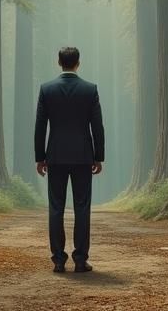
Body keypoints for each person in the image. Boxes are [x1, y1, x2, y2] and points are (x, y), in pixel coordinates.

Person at [34, 46, 105, 273]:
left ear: (58, 62)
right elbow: (97, 126)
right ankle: (81, 260)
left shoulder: (47, 89)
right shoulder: (90, 89)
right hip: (83, 156)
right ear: (78, 63)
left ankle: (58, 260)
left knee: (56, 208)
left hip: (55, 156)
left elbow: (40, 126)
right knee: (82, 208)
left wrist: (40, 157)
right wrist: (98, 156)